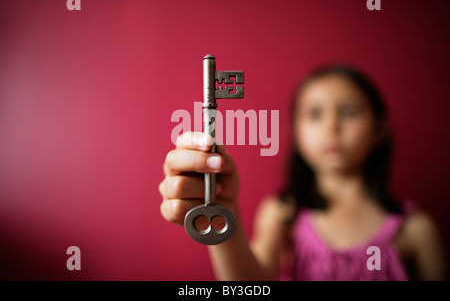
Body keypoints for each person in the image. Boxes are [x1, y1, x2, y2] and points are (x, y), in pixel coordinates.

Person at [159, 64, 446, 280]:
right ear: (296, 131)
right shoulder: (282, 214)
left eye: (349, 111)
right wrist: (222, 211)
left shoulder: (417, 231)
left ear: (379, 128)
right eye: (315, 114)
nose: (331, 126)